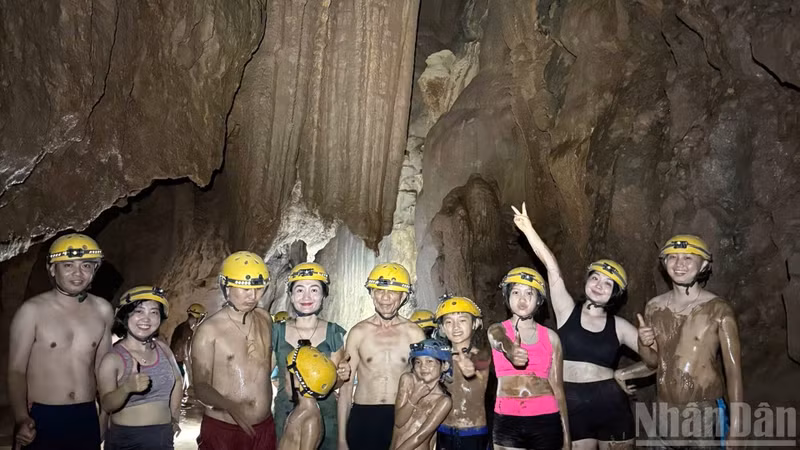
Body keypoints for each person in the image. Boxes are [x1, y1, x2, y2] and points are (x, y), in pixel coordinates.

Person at [512, 203, 654, 448]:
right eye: (595, 278)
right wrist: (529, 230)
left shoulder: (619, 326)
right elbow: (552, 267)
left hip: (611, 403)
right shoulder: (566, 310)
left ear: (615, 294)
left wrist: (628, 368)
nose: (599, 285)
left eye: (608, 284)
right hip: (571, 403)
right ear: (587, 281)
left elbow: (654, 362)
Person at [8, 233, 114, 449]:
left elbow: (103, 368)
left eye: (86, 265)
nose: (78, 273)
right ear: (52, 269)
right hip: (43, 416)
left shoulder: (103, 310)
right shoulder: (32, 311)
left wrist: (105, 414)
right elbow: (16, 370)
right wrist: (21, 418)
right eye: (68, 266)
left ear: (95, 269)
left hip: (85, 415)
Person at [637, 235, 742, 445]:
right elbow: (652, 362)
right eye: (673, 257)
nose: (679, 264)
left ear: (703, 264)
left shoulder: (719, 309)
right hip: (664, 408)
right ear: (664, 262)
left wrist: (738, 427)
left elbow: (733, 371)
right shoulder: (654, 307)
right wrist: (644, 343)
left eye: (688, 258)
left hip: (704, 409)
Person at [192, 251, 276, 449]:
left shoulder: (265, 319)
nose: (253, 296)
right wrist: (228, 405)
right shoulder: (209, 330)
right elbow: (201, 386)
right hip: (225, 428)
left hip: (264, 427)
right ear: (227, 287)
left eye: (258, 288)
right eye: (244, 289)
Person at [338, 263, 426, 450]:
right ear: (371, 293)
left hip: (403, 414)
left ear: (403, 297)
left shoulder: (414, 334)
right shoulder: (358, 333)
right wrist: (341, 439)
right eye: (379, 291)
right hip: (364, 415)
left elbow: (425, 384)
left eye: (392, 292)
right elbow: (345, 390)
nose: (385, 298)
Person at [487, 267, 570, 450]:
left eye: (529, 293)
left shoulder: (551, 338)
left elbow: (558, 389)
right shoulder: (497, 330)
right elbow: (497, 339)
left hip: (546, 419)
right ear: (507, 296)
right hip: (507, 420)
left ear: (539, 299)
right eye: (515, 292)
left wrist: (567, 438)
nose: (522, 299)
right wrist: (509, 350)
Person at [272, 263, 351, 450]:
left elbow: (335, 384)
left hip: (325, 415)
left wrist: (342, 375)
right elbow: (261, 373)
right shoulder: (276, 332)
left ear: (324, 294)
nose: (306, 297)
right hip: (286, 413)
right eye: (299, 290)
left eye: (314, 289)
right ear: (290, 295)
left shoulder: (333, 333)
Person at [97, 285, 183, 449]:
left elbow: (178, 381)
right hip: (128, 441)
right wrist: (126, 388)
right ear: (124, 315)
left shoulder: (163, 348)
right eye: (139, 311)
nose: (147, 318)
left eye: (154, 312)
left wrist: (174, 417)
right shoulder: (113, 358)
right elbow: (107, 404)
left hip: (163, 437)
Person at [433, 295, 491, 450]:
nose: (455, 327)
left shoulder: (483, 356)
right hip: (443, 431)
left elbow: (480, 379)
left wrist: (469, 367)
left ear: (475, 323)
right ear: (442, 328)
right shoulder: (437, 359)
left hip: (473, 433)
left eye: (462, 320)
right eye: (449, 322)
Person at [391, 339, 453, 450]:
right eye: (418, 362)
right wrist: (415, 396)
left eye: (429, 361)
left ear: (444, 366)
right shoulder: (407, 380)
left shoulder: (443, 401)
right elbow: (399, 422)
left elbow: (419, 437)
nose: (423, 367)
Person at [278, 345, 338, 450]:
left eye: (286, 381)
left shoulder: (311, 421)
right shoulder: (300, 409)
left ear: (298, 382)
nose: (284, 385)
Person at [170, 302, 207, 395]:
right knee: (180, 391)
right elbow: (185, 352)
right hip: (178, 364)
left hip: (174, 362)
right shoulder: (187, 331)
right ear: (198, 318)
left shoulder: (181, 327)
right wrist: (190, 370)